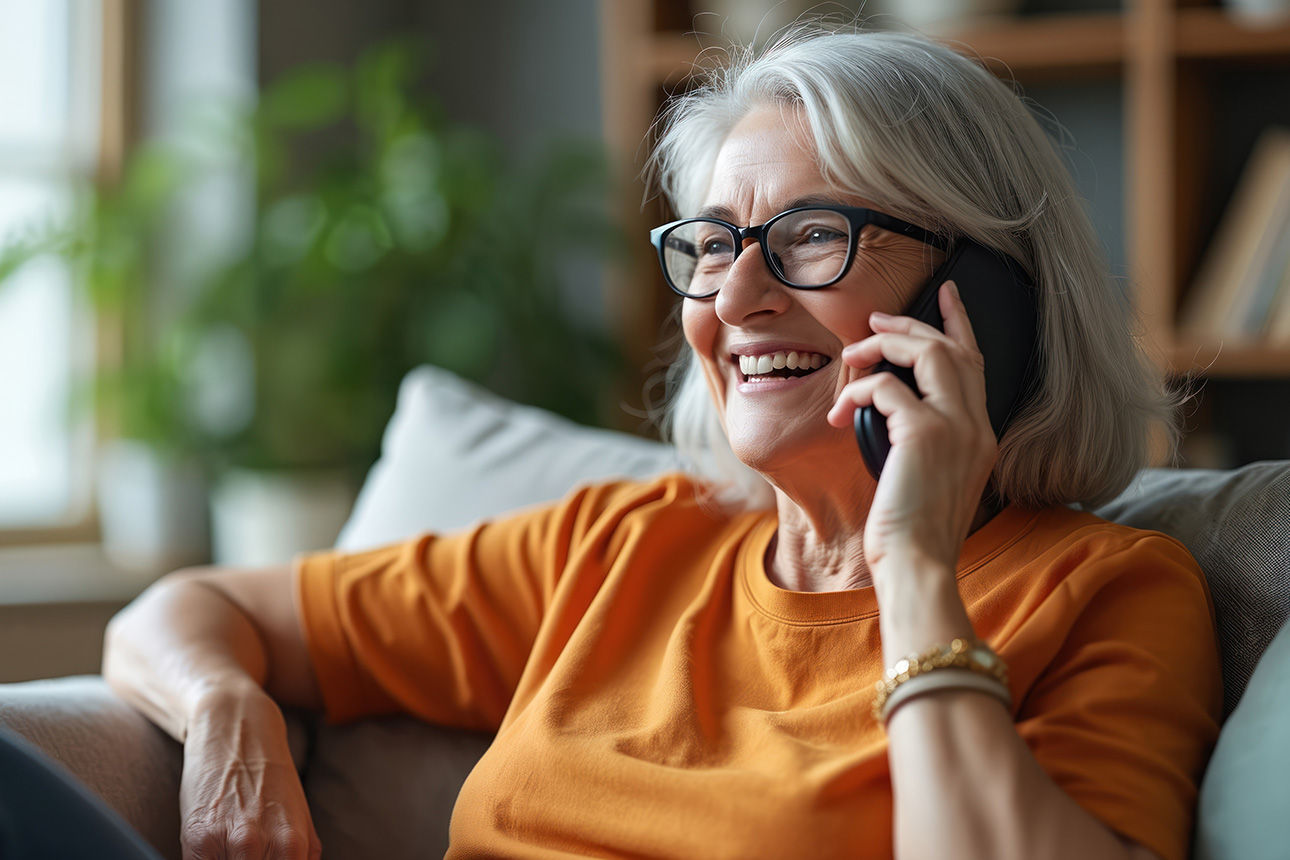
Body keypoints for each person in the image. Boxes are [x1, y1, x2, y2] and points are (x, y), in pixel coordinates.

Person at [87, 24, 1219, 860]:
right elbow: (182, 612)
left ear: (983, 298)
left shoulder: (1105, 592)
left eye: (812, 236)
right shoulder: (621, 547)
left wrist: (913, 562)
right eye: (715, 244)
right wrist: (230, 721)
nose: (737, 297)